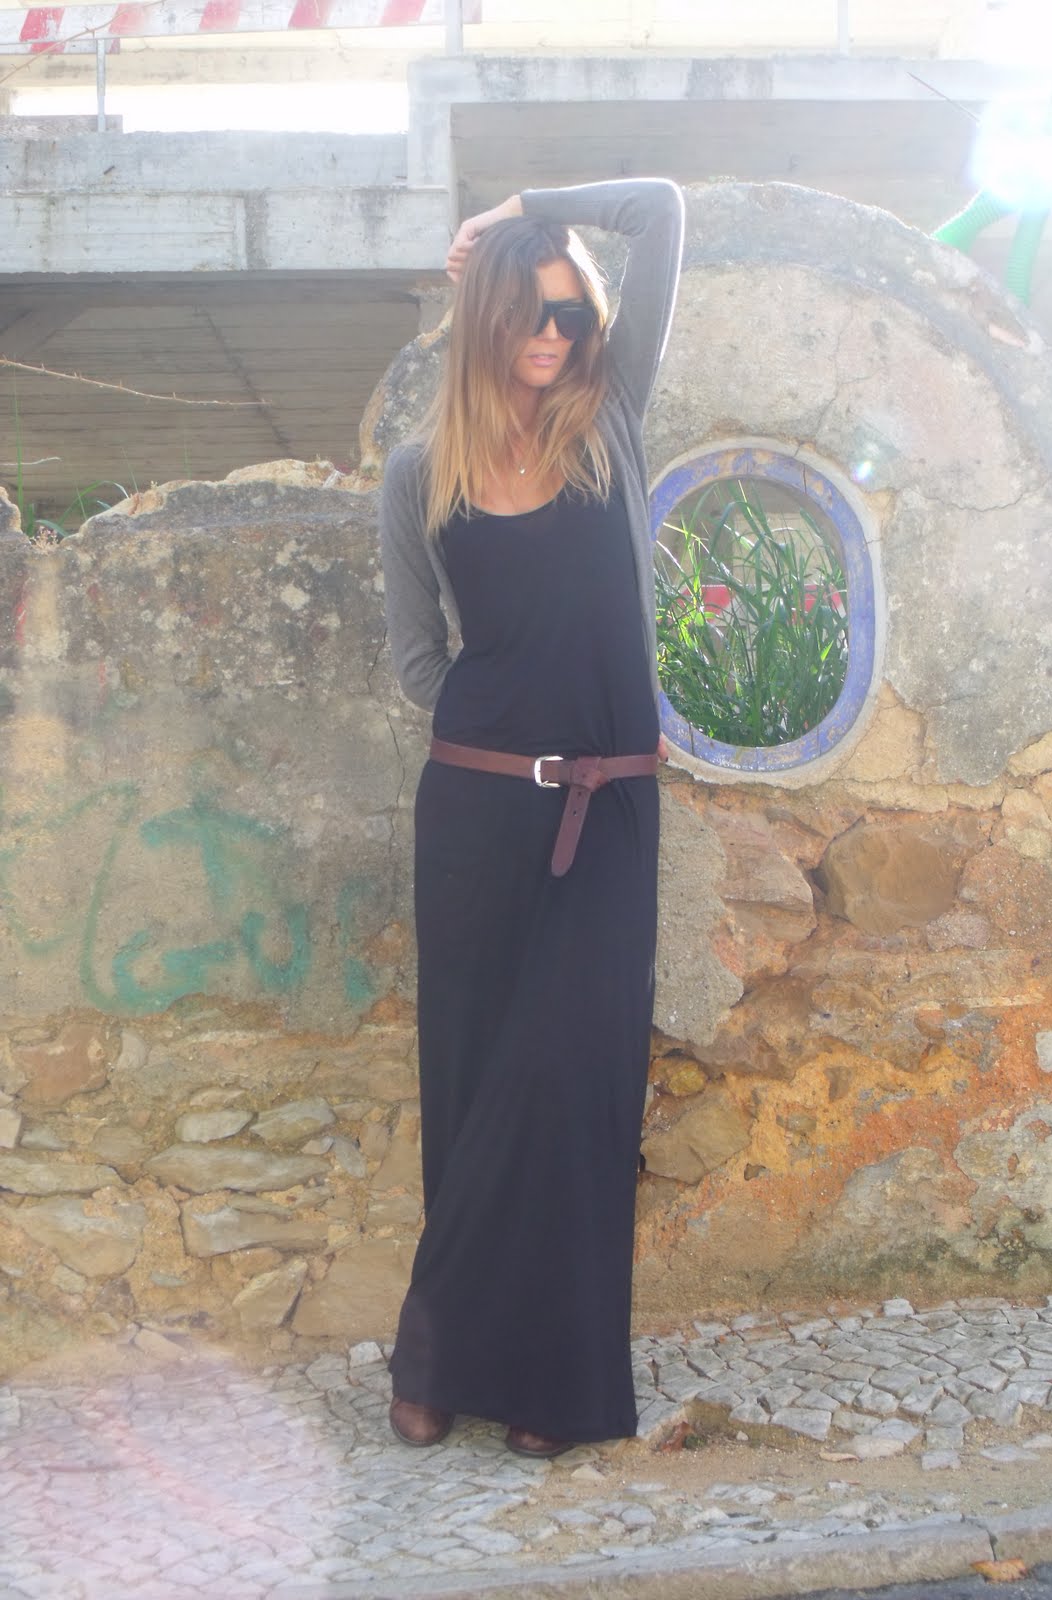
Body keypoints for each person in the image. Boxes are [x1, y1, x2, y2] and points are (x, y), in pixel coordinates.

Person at [378, 178, 684, 1458]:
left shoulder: (609, 426)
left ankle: (553, 1378)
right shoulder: (419, 475)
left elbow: (662, 211)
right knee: (469, 1085)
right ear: (485, 316)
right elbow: (415, 657)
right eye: (530, 310)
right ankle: (443, 1365)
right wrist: (499, 734)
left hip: (608, 815)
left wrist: (530, 207)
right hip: (475, 813)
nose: (553, 334)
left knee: (568, 1087)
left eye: (570, 312)